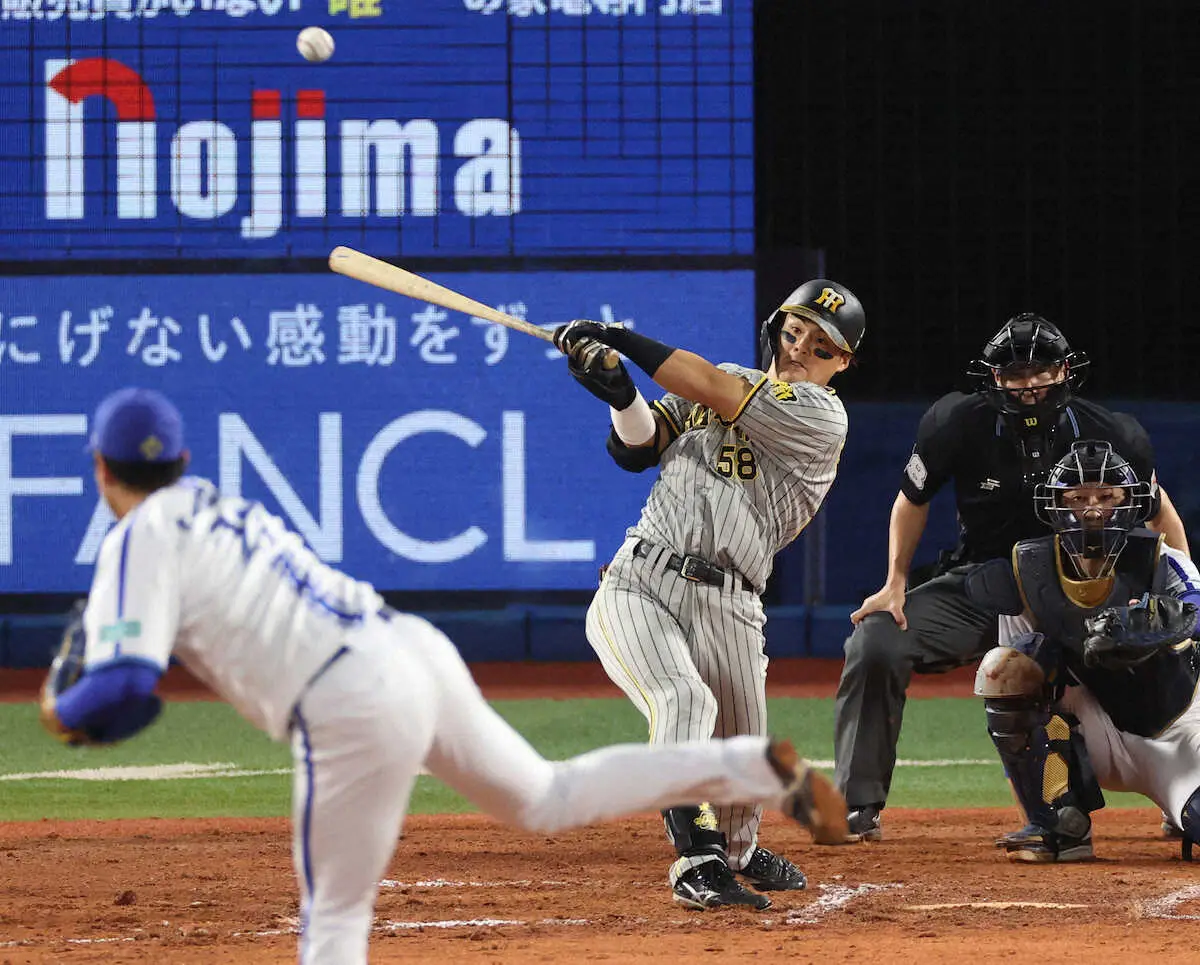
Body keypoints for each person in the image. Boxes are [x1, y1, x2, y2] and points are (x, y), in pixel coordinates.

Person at [37, 387, 849, 965]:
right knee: (545, 794)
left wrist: (60, 709)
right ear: (180, 459)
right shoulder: (215, 502)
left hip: (347, 703)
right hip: (410, 649)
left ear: (101, 470)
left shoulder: (138, 534)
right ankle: (743, 765)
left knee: (335, 925)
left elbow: (122, 696)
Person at [552, 279, 865, 910]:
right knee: (682, 699)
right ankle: (695, 861)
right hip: (641, 579)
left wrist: (620, 339)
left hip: (732, 603)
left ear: (842, 361)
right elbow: (639, 449)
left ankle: (737, 851)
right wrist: (619, 392)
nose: (800, 347)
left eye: (820, 343)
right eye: (793, 331)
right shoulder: (718, 380)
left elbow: (714, 390)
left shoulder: (820, 415)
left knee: (743, 763)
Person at [832, 313, 1189, 843]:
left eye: (1040, 371)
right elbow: (911, 501)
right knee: (876, 640)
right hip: (986, 583)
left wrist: (1178, 587)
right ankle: (857, 806)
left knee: (1150, 657)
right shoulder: (957, 421)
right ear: (994, 377)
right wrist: (895, 582)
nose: (1028, 385)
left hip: (1083, 587)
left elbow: (1158, 511)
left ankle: (1158, 785)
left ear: (1066, 370)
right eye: (1014, 373)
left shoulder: (1108, 433)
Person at [967, 440, 1200, 862]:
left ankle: (1180, 808)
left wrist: (1158, 624)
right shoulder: (1028, 568)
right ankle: (1057, 819)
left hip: (1179, 728)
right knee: (1006, 668)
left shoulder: (1161, 559)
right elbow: (1016, 676)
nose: (1093, 509)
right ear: (1055, 505)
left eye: (1107, 497)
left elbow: (1196, 606)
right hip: (1091, 727)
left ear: (1131, 502)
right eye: (1077, 497)